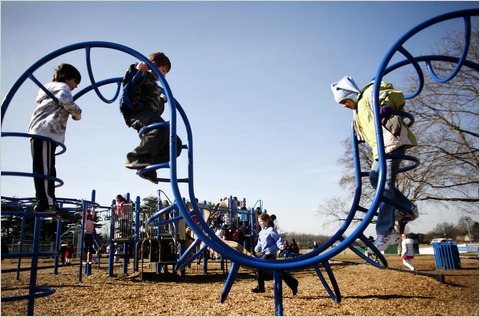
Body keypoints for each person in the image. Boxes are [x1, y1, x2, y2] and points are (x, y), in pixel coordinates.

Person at [331, 76, 419, 252]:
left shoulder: (371, 92)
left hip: (392, 142)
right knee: (374, 179)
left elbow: (396, 96)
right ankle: (408, 207)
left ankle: (386, 232)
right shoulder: (357, 112)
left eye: (343, 101)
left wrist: (388, 106)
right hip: (380, 150)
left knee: (385, 186)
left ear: (350, 94)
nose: (343, 105)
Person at [120, 52, 182, 184]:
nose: (163, 75)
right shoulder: (143, 75)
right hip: (137, 111)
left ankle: (147, 165)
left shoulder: (155, 87)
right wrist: (137, 68)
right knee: (160, 127)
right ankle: (134, 157)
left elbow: (155, 107)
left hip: (149, 114)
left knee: (176, 144)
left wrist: (162, 101)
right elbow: (129, 83)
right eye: (163, 70)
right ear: (154, 65)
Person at [28, 64, 82, 213]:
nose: (75, 86)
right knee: (45, 170)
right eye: (75, 82)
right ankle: (46, 204)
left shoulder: (47, 88)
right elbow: (66, 101)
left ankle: (47, 201)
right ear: (66, 77)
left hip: (42, 131)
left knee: (46, 168)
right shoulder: (62, 87)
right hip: (46, 131)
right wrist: (77, 113)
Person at [252, 213, 298, 295]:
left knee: (258, 267)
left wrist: (281, 245)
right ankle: (293, 282)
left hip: (270, 253)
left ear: (266, 221)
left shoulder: (271, 230)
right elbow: (260, 243)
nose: (259, 224)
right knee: (276, 271)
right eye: (259, 222)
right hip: (265, 253)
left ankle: (261, 287)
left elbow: (277, 239)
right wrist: (257, 247)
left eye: (261, 222)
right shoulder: (262, 232)